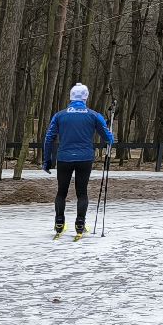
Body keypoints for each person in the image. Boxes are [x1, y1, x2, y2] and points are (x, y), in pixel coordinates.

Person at [43, 83, 113, 239]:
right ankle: (80, 224)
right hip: (85, 158)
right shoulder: (93, 115)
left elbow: (49, 138)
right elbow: (108, 137)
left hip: (64, 158)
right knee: (82, 192)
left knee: (62, 191)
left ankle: (59, 222)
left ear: (71, 97)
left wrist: (47, 160)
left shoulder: (60, 115)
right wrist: (110, 137)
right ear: (85, 97)